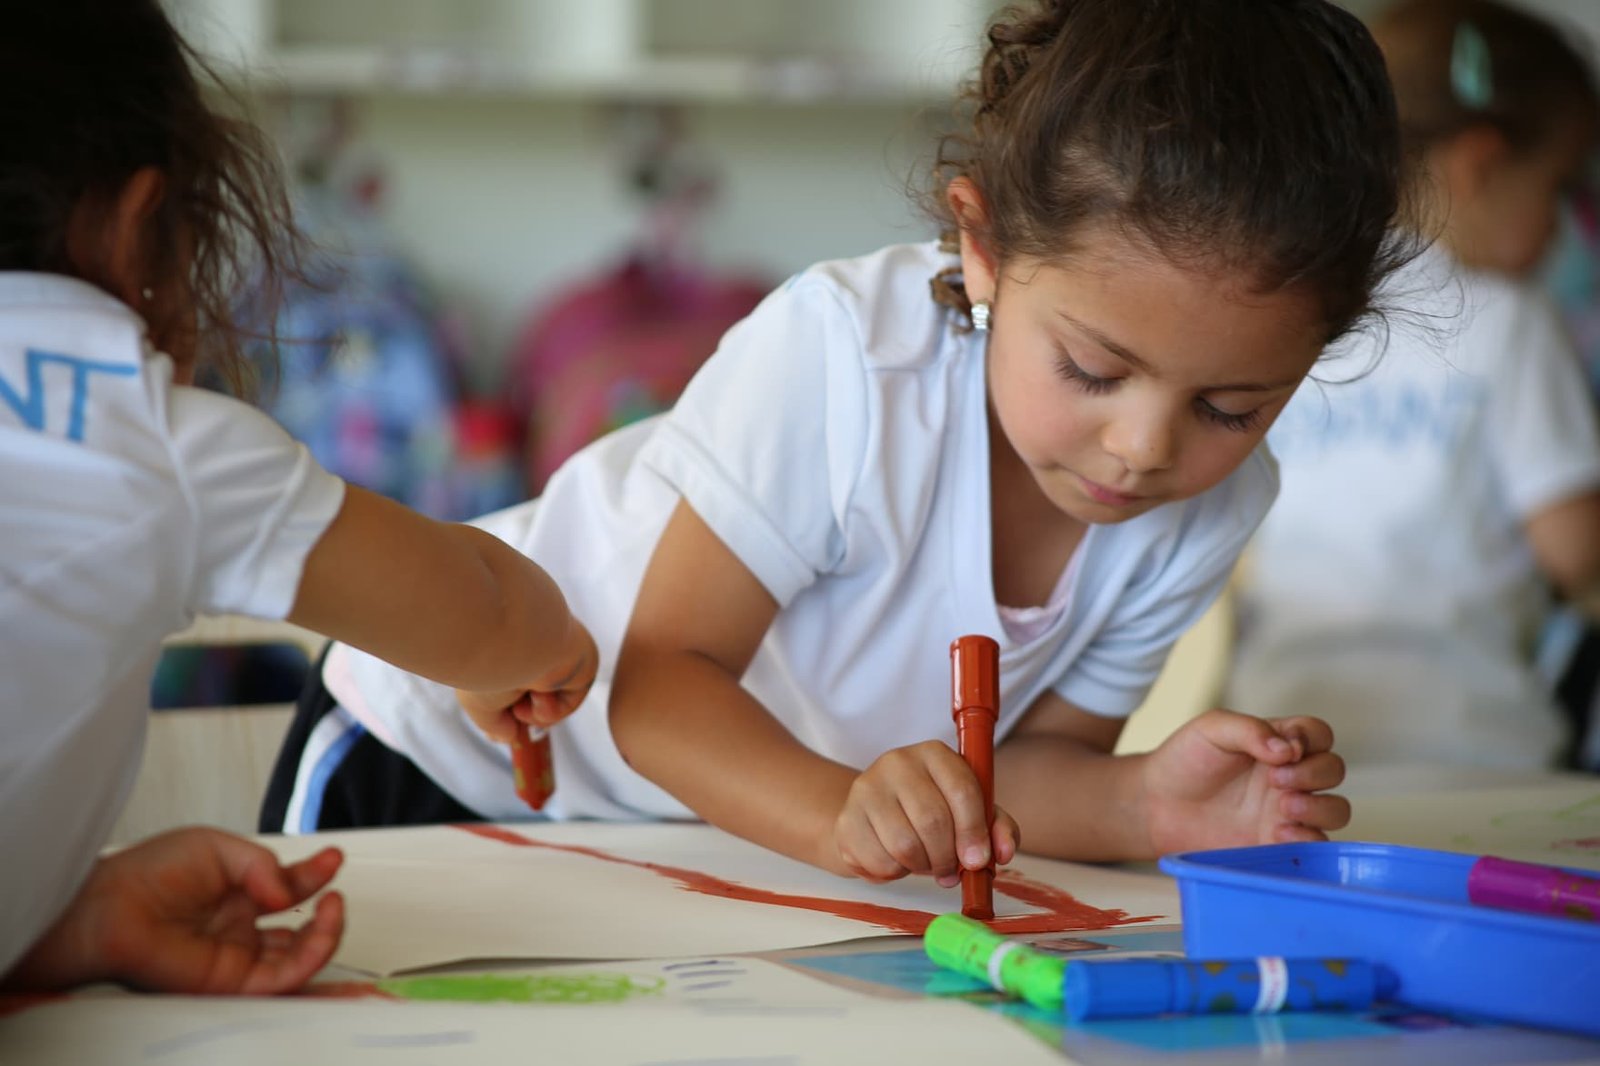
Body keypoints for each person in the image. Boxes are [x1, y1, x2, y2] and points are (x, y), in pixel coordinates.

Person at [267, 0, 1405, 883]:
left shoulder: (1214, 504)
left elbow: (1022, 769)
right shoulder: (849, 361)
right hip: (430, 761)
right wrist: (840, 812)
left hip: (664, 837)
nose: (1145, 448)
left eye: (1231, 408)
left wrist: (1146, 802)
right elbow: (659, 693)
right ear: (984, 251)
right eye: (1093, 371)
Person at [0, 2, 596, 992]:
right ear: (137, 224)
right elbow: (485, 615)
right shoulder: (147, 435)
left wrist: (76, 920)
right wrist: (547, 644)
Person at [1228, 0, 1600, 769]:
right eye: (1560, 187)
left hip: (1284, 744)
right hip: (1476, 749)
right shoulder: (1509, 319)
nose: (1563, 226)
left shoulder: (1291, 313)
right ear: (1480, 166)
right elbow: (1576, 551)